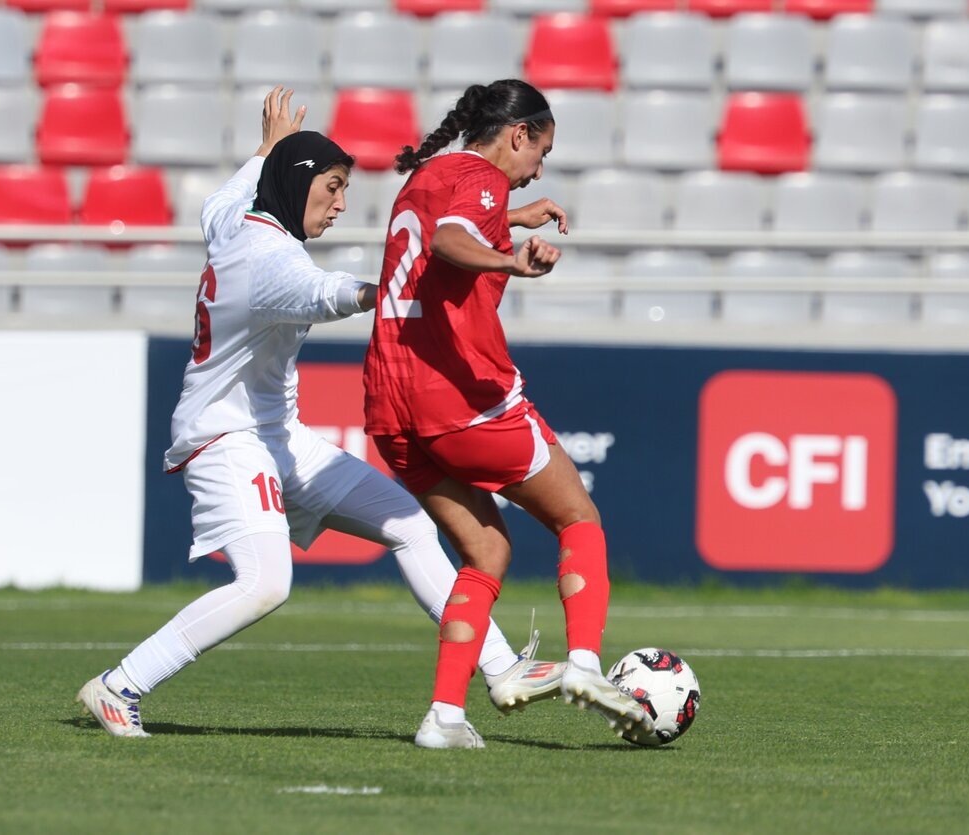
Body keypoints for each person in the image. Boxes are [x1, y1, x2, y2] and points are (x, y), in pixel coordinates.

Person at [77, 87, 562, 739]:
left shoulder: (236, 220)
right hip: (226, 439)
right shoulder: (271, 261)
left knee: (411, 527)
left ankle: (501, 667)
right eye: (332, 188)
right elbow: (327, 292)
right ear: (299, 184)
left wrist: (270, 145)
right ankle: (119, 686)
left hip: (278, 436)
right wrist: (395, 284)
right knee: (265, 584)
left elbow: (230, 193)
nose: (340, 205)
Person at [362, 79, 653, 749]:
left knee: (487, 550)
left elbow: (437, 229)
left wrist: (513, 218)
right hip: (459, 395)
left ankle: (443, 716)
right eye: (540, 152)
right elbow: (449, 239)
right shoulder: (483, 180)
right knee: (578, 516)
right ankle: (585, 666)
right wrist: (508, 259)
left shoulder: (430, 176)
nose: (538, 170)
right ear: (517, 133)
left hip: (391, 405)